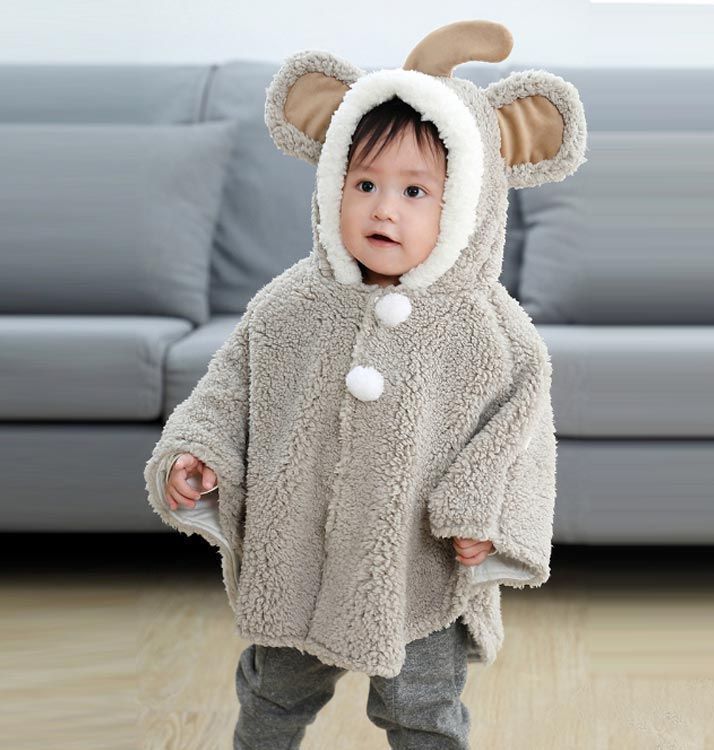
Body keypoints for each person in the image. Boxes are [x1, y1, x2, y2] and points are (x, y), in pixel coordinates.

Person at [143, 19, 586, 750]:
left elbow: (519, 436)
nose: (384, 207)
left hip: (418, 569)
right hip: (299, 555)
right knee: (273, 692)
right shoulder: (291, 306)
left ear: (468, 203)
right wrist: (200, 451)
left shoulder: (489, 331)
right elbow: (230, 391)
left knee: (423, 708)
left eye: (416, 190)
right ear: (332, 185)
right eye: (365, 183)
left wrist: (483, 515)